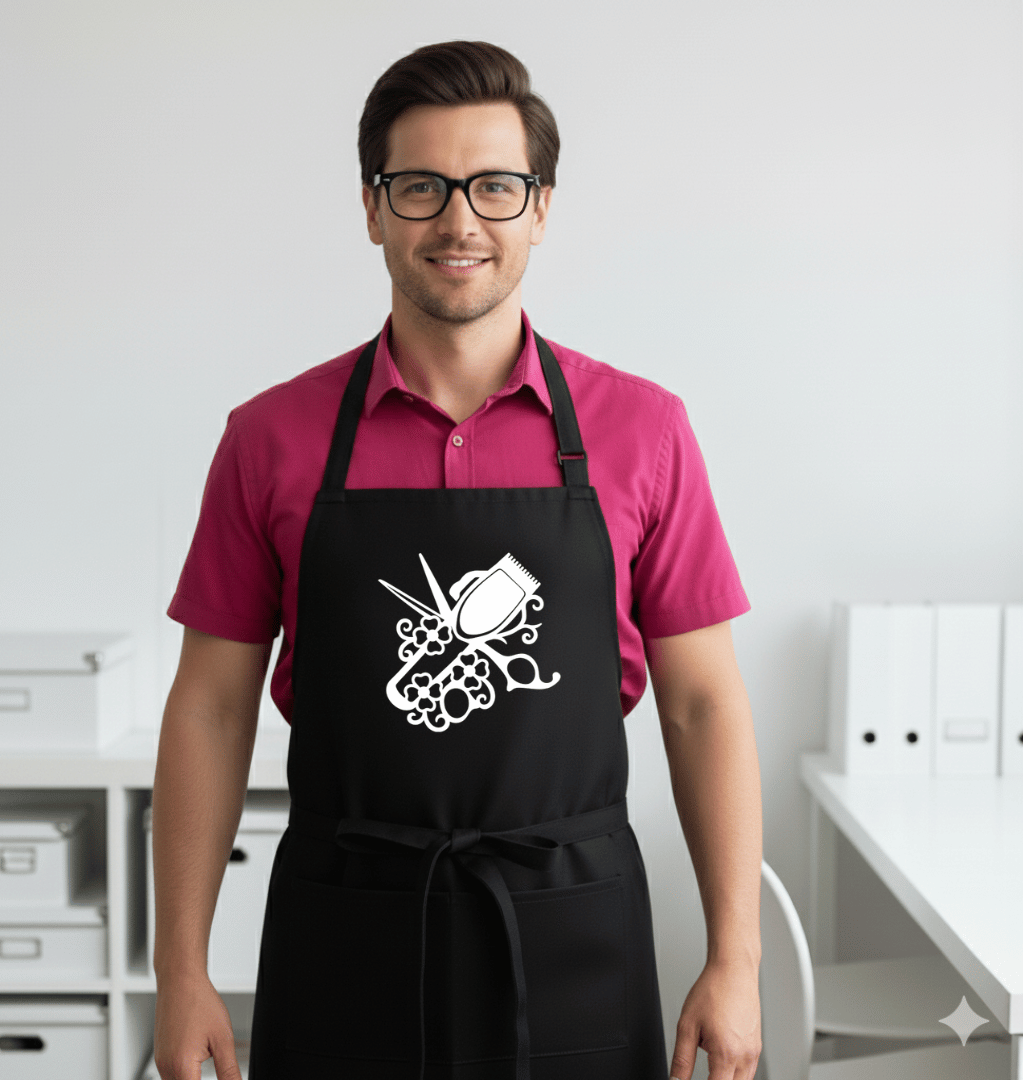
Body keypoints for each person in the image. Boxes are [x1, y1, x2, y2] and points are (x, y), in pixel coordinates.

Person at [152, 40, 762, 1080]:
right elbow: (210, 707)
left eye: (494, 185)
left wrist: (736, 962)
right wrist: (181, 975)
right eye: (422, 187)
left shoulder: (645, 432)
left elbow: (703, 705)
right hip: (346, 926)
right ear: (373, 206)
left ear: (540, 206)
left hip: (575, 929)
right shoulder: (270, 439)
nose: (459, 221)